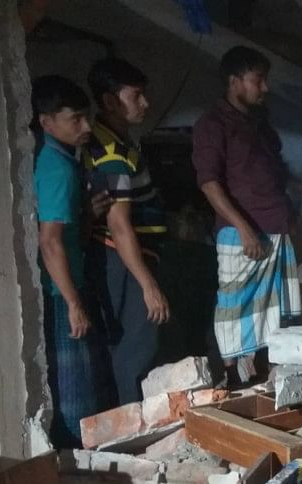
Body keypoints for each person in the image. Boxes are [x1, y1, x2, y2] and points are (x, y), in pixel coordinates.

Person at [192, 46, 302, 383]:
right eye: (258, 80)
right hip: (242, 233)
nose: (264, 87)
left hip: (274, 227)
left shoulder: (259, 124)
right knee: (234, 307)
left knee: (270, 310)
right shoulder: (213, 125)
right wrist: (244, 228)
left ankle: (262, 375)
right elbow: (209, 183)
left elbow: (279, 175)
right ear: (234, 81)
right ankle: (230, 378)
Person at [83, 58, 169, 404]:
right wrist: (148, 285)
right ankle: (131, 421)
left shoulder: (118, 143)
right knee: (137, 348)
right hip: (123, 259)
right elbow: (119, 226)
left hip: (121, 258)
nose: (145, 103)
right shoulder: (112, 154)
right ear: (109, 101)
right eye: (136, 96)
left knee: (125, 347)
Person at [31, 75, 101, 447]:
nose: (86, 126)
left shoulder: (61, 160)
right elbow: (49, 241)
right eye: (75, 119)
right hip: (60, 293)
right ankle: (75, 463)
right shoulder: (57, 168)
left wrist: (87, 214)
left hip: (65, 285)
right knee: (75, 391)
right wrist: (74, 303)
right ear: (46, 122)